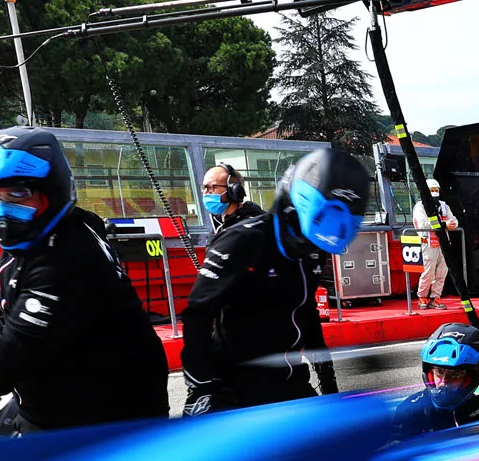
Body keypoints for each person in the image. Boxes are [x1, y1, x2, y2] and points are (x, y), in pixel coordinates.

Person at [0, 126, 166, 433]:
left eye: (18, 194)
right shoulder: (51, 233)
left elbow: (22, 341)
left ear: (52, 190)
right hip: (67, 400)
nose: (3, 206)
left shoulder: (66, 255)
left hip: (105, 415)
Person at [179, 148, 368, 414]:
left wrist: (327, 380)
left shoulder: (312, 250)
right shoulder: (244, 240)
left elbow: (307, 311)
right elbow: (197, 315)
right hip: (236, 387)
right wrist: (201, 387)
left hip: (291, 380)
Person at [392, 322, 479, 437]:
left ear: (470, 378)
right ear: (430, 372)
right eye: (439, 372)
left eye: (454, 375)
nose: (443, 381)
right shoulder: (410, 411)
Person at [414, 176, 458, 309]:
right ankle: (422, 296)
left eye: (436, 189)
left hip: (443, 243)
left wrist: (452, 224)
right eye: (431, 189)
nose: (434, 192)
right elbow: (424, 223)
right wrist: (444, 224)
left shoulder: (444, 206)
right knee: (429, 271)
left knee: (442, 272)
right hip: (428, 242)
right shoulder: (420, 206)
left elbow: (454, 220)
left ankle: (436, 297)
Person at [201, 163, 260, 230]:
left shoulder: (253, 227)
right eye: (204, 187)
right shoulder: (218, 225)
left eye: (211, 187)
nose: (205, 192)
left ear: (233, 189)